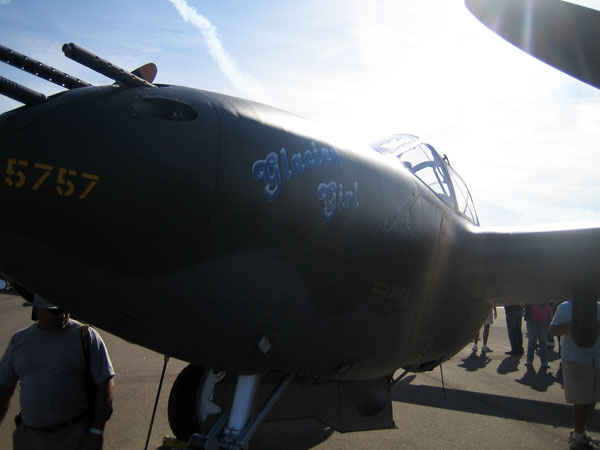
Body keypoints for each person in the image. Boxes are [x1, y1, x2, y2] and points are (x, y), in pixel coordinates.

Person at [0, 294, 115, 450]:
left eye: (65, 309)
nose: (62, 314)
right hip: (30, 438)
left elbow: (105, 384)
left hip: (74, 436)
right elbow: (4, 389)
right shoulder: (20, 341)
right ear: (38, 310)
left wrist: (96, 431)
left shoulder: (86, 336)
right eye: (55, 311)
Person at [550, 298, 600, 450]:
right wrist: (575, 324)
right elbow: (553, 330)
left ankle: (581, 429)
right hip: (576, 359)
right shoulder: (566, 307)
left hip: (596, 358)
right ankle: (578, 435)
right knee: (580, 400)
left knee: (592, 398)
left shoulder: (598, 306)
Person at [524, 303, 553, 371]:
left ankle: (544, 362)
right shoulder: (530, 296)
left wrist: (550, 319)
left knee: (543, 342)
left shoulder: (545, 296)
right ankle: (529, 361)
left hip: (544, 320)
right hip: (532, 320)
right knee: (532, 341)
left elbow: (550, 306)